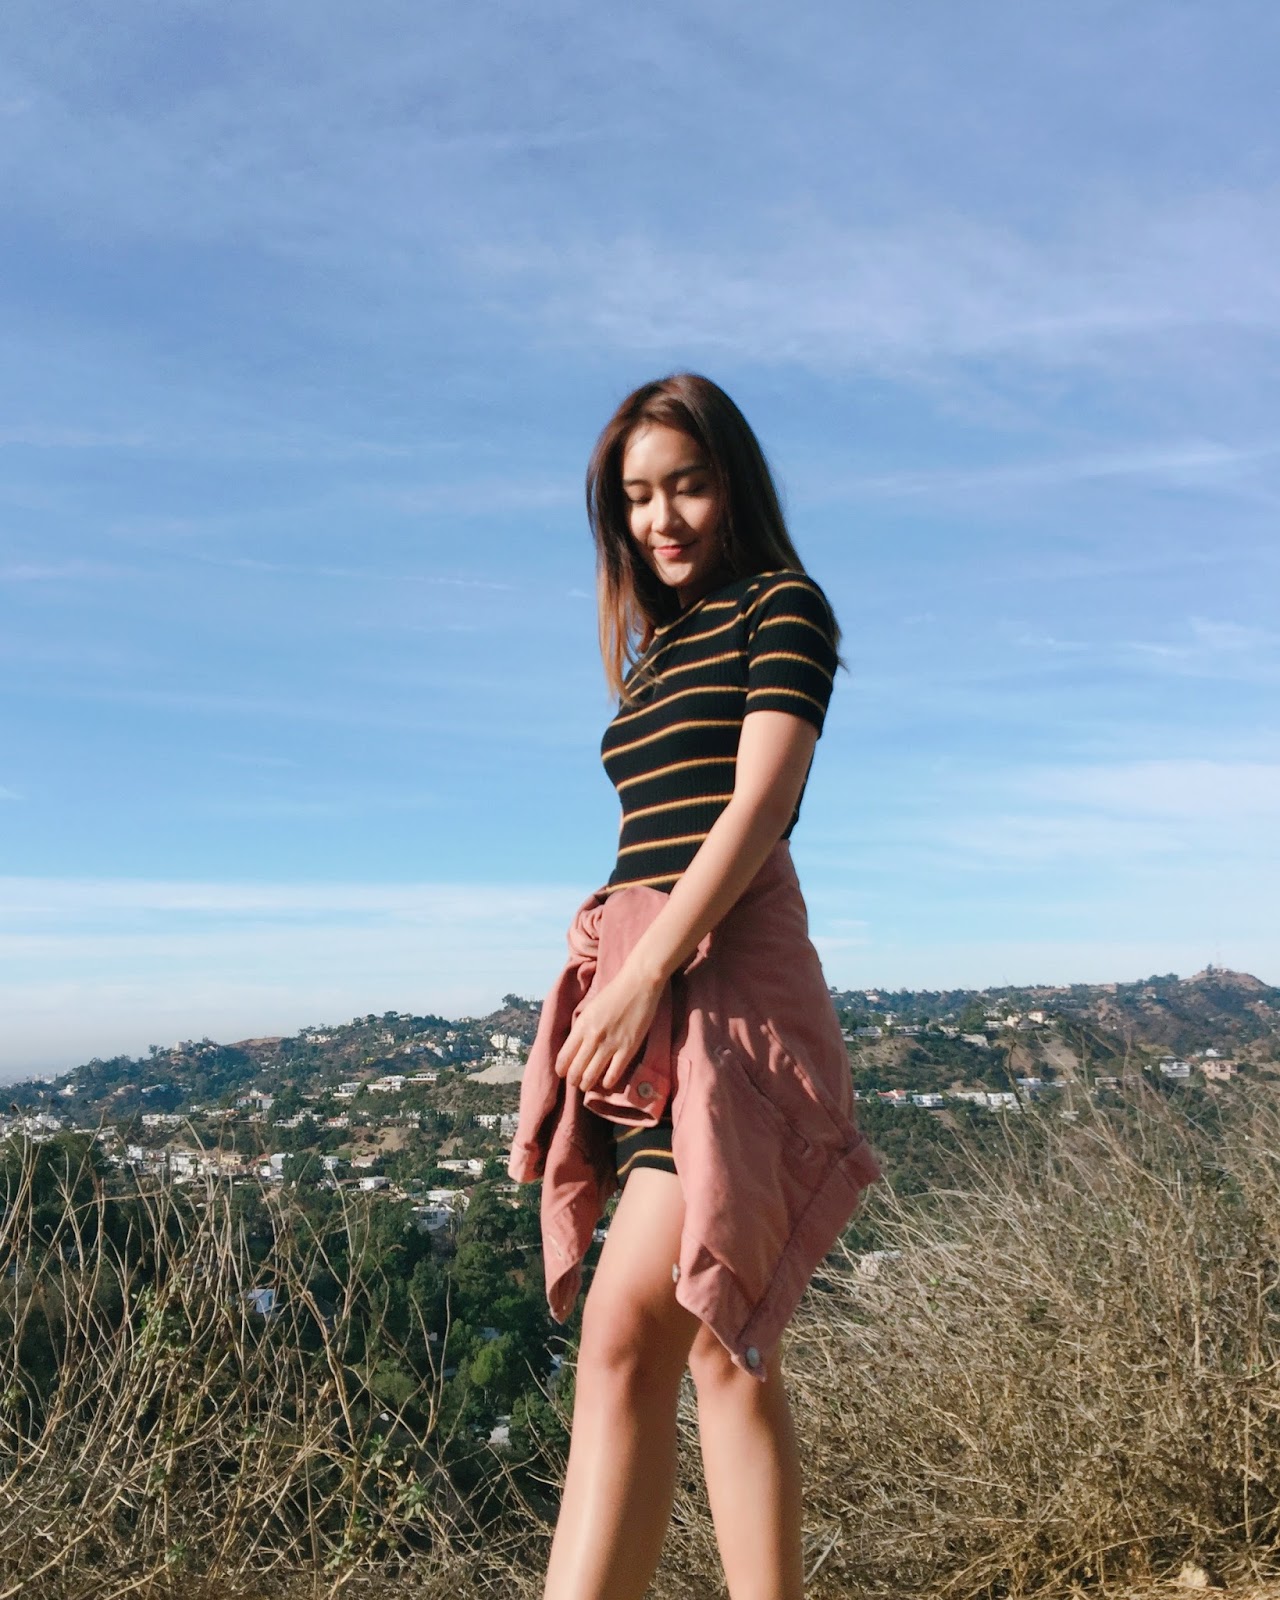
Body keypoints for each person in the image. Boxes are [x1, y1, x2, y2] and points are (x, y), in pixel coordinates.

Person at [508, 373, 878, 1600]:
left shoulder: (784, 607)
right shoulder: (657, 652)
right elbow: (657, 829)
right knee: (722, 1344)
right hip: (656, 1010)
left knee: (632, 1334)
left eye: (687, 485)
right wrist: (609, 943)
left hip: (732, 1003)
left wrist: (646, 969)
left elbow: (759, 804)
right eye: (635, 497)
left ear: (733, 486)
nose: (659, 518)